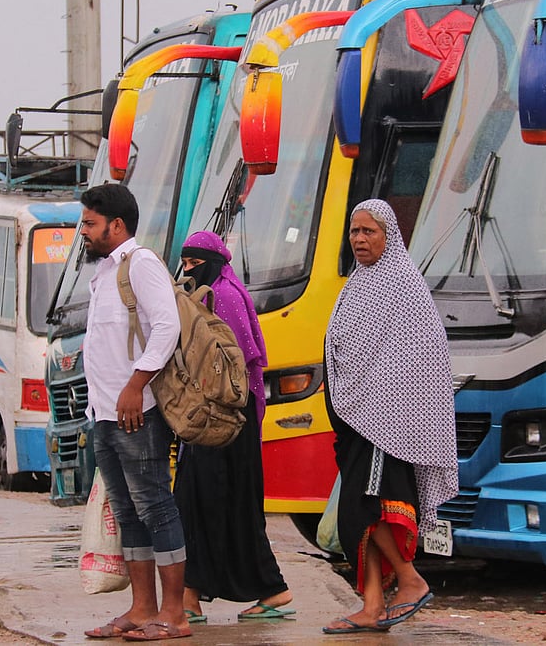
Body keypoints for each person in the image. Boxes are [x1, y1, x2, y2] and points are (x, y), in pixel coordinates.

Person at [321, 200, 458, 634]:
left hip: (385, 423)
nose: (359, 239)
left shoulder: (402, 283)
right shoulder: (360, 282)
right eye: (354, 231)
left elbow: (416, 360)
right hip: (355, 418)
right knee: (360, 517)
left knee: (366, 511)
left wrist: (376, 404)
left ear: (389, 235)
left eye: (369, 232)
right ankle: (373, 605)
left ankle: (411, 581)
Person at [78, 183, 189, 641]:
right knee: (126, 513)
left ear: (116, 225)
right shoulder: (106, 270)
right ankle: (142, 609)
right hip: (103, 413)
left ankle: (175, 614)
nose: (83, 231)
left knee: (156, 507)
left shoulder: (140, 263)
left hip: (136, 412)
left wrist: (136, 384)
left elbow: (167, 325)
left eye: (89, 223)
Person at [170, 231, 294, 623]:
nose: (188, 270)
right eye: (185, 263)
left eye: (195, 263)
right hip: (214, 423)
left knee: (202, 505)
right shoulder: (209, 292)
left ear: (215, 263)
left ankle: (195, 597)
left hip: (226, 422)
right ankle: (266, 590)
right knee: (212, 506)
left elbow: (232, 365)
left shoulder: (222, 296)